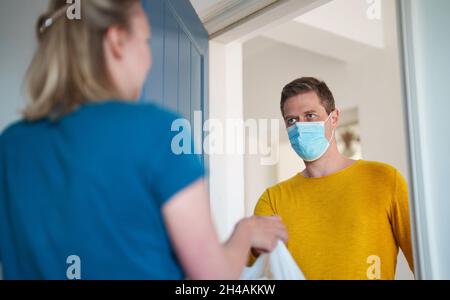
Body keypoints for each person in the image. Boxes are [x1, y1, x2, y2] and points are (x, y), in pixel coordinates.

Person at [0, 0, 287, 280]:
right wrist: (245, 232)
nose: (149, 60)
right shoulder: (158, 130)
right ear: (116, 40)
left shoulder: (10, 146)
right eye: (146, 41)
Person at [250, 77, 414, 280]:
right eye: (291, 120)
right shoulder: (272, 200)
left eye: (310, 116)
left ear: (334, 118)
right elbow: (247, 276)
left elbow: (428, 264)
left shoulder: (385, 180)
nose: (300, 127)